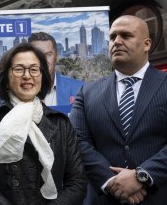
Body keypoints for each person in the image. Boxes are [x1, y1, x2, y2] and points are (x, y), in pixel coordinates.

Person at [0, 43, 87, 205]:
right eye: (18, 69)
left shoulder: (61, 123)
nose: (27, 75)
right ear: (6, 78)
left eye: (34, 69)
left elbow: (77, 181)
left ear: (42, 76)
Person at [70, 15, 167, 204]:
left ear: (146, 44)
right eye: (113, 37)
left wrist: (142, 176)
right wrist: (112, 182)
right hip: (105, 198)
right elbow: (77, 141)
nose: (117, 41)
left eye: (126, 35)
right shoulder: (87, 91)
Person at [29, 32, 84, 112]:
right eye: (37, 55)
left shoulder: (80, 90)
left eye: (48, 54)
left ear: (56, 57)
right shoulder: (14, 94)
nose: (43, 60)